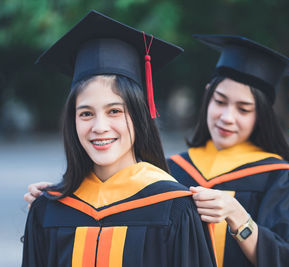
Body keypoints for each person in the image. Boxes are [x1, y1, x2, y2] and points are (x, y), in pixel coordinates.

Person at [25, 33, 289, 267]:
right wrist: (57, 199)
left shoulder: (278, 177)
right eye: (220, 101)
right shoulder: (174, 170)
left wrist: (239, 218)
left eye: (244, 108)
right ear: (207, 97)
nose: (227, 117)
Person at [21, 10, 216, 267]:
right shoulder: (49, 210)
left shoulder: (174, 208)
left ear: (138, 115)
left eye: (115, 111)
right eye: (86, 113)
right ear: (72, 121)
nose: (100, 127)